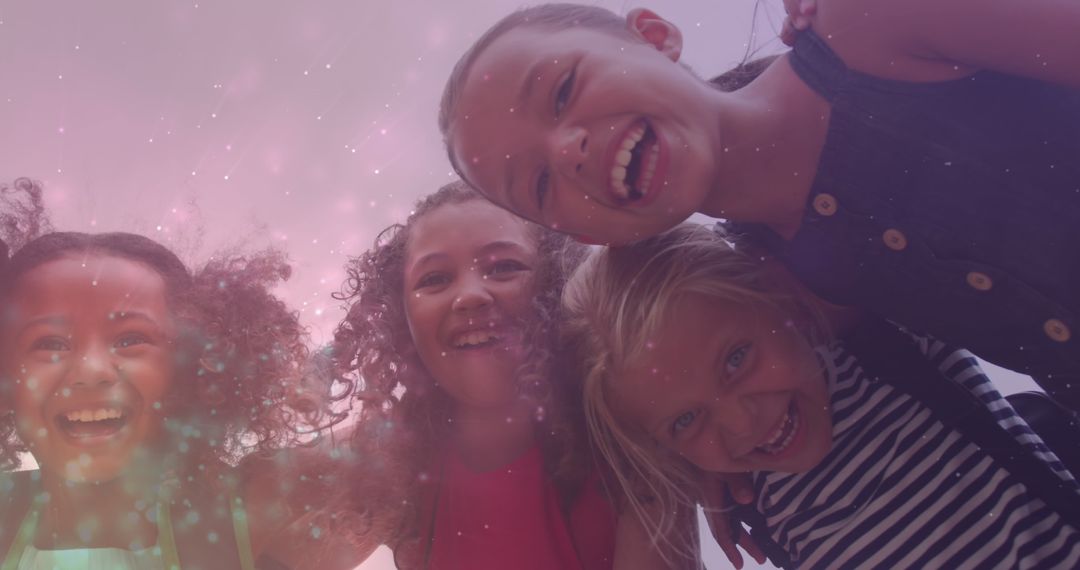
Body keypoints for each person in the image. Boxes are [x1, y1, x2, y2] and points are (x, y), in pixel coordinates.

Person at [437, 2, 1080, 404]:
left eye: (563, 90)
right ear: (587, 236)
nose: (569, 149)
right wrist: (707, 474)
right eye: (541, 184)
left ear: (655, 36)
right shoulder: (780, 274)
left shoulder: (870, 26)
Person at [561, 221, 1080, 568]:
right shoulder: (752, 500)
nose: (742, 425)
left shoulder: (888, 341)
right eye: (685, 420)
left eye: (736, 361)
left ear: (778, 295)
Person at [330, 180, 683, 569]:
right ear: (402, 317)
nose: (469, 295)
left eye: (503, 267)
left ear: (555, 281)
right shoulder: (390, 467)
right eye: (434, 278)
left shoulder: (628, 443)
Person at [0, 231, 363, 570]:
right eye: (49, 343)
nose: (91, 370)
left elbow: (398, 449)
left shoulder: (245, 510)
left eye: (129, 340)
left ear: (193, 367)